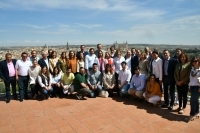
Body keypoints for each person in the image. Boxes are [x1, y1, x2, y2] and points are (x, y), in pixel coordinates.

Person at [187, 57, 200, 122]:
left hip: (197, 87)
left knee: (192, 100)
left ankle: (192, 114)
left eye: (196, 61)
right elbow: (190, 79)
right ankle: (197, 111)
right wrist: (189, 86)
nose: (194, 62)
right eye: (193, 61)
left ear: (198, 61)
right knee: (195, 100)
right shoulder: (192, 70)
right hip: (192, 86)